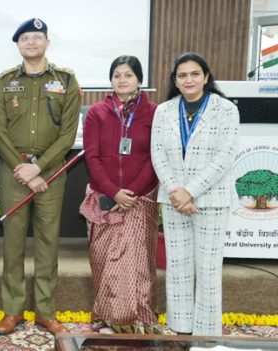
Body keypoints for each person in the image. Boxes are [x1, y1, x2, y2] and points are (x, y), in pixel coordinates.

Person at [0, 18, 81, 335]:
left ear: (47, 42)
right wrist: (24, 169)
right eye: (25, 38)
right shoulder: (5, 82)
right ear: (18, 44)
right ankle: (12, 311)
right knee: (12, 243)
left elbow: (68, 134)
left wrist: (39, 168)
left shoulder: (66, 80)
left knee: (48, 243)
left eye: (37, 37)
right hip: (13, 169)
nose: (31, 42)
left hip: (52, 172)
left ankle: (45, 311)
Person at [151, 52, 239, 336]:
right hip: (173, 200)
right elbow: (157, 154)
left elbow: (225, 156)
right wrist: (177, 192)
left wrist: (190, 191)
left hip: (211, 200)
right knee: (177, 268)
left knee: (209, 271)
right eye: (182, 75)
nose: (188, 79)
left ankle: (207, 333)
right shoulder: (163, 111)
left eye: (194, 74)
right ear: (175, 81)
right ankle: (180, 329)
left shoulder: (226, 109)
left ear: (205, 77)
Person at [79, 55, 159, 334]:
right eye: (117, 75)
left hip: (141, 198)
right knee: (105, 259)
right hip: (105, 197)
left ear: (139, 79)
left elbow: (154, 157)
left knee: (136, 263)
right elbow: (92, 156)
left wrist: (132, 192)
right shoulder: (96, 112)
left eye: (128, 75)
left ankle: (138, 319)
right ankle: (106, 317)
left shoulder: (154, 113)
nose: (122, 80)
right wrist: (113, 192)